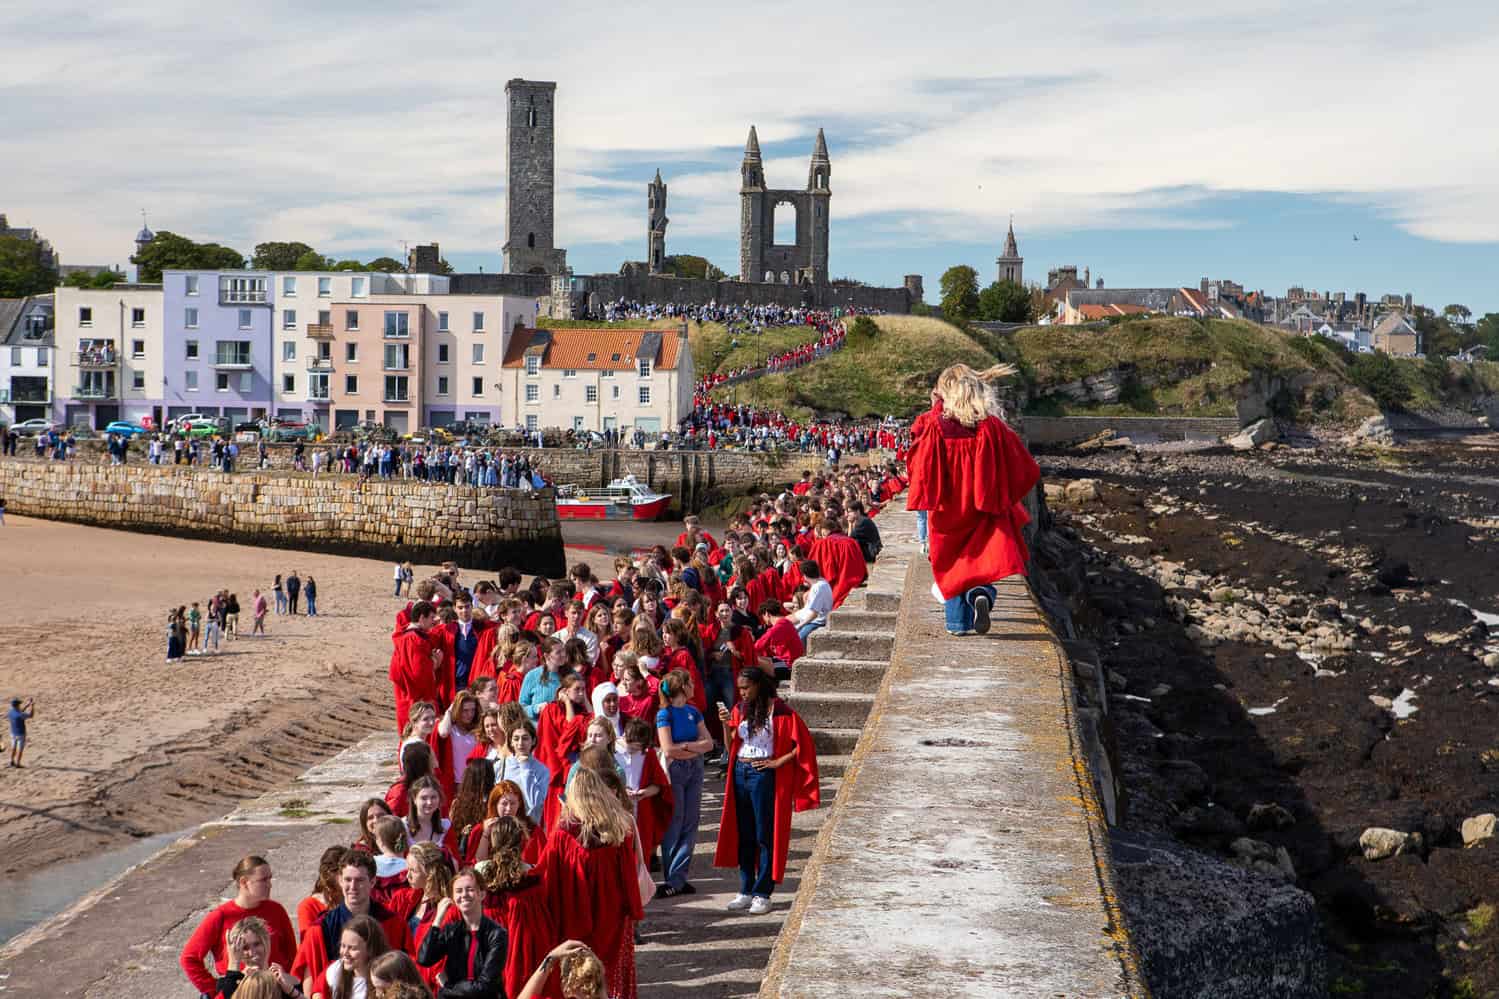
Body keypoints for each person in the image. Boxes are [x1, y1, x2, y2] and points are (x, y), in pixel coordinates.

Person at [906, 363, 1040, 636]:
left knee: (951, 563)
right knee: (979, 561)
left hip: (948, 508)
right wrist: (1005, 495)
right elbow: (1023, 466)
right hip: (983, 505)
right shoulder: (990, 426)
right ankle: (980, 592)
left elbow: (920, 467)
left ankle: (957, 624)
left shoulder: (936, 426)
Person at [714, 669, 820, 915]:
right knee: (745, 834)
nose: (742, 693)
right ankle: (745, 889)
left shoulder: (780, 711)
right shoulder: (740, 709)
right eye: (740, 689)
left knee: (765, 834)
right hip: (740, 771)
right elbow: (731, 746)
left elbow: (802, 744)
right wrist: (724, 723)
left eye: (746, 688)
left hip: (763, 774)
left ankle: (763, 893)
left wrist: (778, 762)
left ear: (759, 685)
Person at [538, 770, 643, 999]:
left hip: (574, 916)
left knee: (579, 974)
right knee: (611, 972)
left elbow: (548, 878)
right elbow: (629, 876)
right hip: (612, 914)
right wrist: (633, 910)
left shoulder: (563, 834)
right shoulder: (618, 830)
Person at [292, 851, 410, 997]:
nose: (353, 887)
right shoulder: (320, 929)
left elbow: (407, 975)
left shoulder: (394, 924)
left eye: (360, 880)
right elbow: (311, 984)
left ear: (372, 882)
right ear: (340, 880)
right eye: (348, 880)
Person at [180, 855, 298, 996]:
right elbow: (189, 958)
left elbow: (292, 955)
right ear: (244, 882)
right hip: (240, 992)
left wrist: (290, 986)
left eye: (270, 878)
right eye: (263, 880)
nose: (270, 884)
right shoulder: (221, 916)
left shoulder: (276, 910)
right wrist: (215, 990)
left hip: (275, 990)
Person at [654, 669, 713, 898]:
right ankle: (672, 877)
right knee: (675, 821)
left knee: (691, 821)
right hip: (676, 770)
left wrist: (686, 747)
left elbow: (709, 743)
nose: (694, 686)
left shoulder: (693, 711)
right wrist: (694, 747)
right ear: (682, 687)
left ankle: (679, 877)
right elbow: (668, 749)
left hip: (694, 768)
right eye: (690, 683)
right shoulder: (664, 714)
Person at [415, 868, 508, 997]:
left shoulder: (496, 934)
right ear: (453, 898)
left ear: (482, 894)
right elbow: (424, 959)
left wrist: (448, 986)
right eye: (458, 891)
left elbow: (484, 986)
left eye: (470, 889)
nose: (464, 895)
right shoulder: (451, 931)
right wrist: (437, 920)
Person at [210, 916, 302, 998]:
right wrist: (234, 963)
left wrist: (291, 991)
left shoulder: (289, 982)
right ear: (236, 950)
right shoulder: (228, 984)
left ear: (267, 941)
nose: (252, 952)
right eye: (245, 947)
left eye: (257, 944)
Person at [323, 914, 388, 999]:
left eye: (352, 948)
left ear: (370, 949)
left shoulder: (383, 982)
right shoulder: (336, 970)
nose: (345, 953)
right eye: (343, 946)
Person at [789, 560, 833, 644]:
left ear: (805, 575)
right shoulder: (822, 581)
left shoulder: (818, 588)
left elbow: (814, 615)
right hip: (808, 615)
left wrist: (799, 626)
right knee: (784, 622)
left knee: (797, 639)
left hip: (817, 621)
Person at [8, 696, 34, 767]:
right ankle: (18, 764)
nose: (20, 705)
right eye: (19, 704)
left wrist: (27, 705)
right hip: (21, 734)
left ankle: (11, 761)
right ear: (17, 705)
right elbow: (31, 715)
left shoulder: (10, 712)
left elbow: (20, 711)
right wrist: (32, 706)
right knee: (20, 749)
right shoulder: (21, 715)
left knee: (13, 748)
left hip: (13, 733)